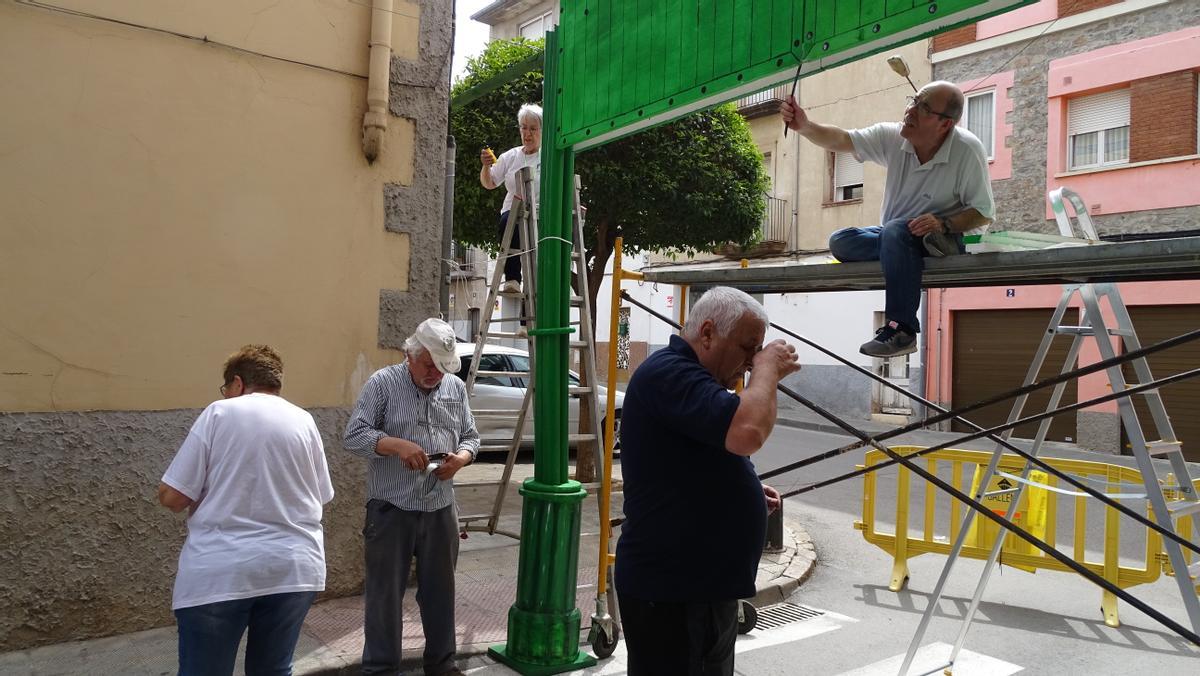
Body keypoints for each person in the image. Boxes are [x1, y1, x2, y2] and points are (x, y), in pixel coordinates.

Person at [614, 287, 801, 676]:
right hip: (675, 592)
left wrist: (739, 489)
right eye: (748, 347)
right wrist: (768, 369)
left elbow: (700, 450)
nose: (751, 362)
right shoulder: (670, 373)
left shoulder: (693, 376)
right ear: (709, 333)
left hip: (696, 589)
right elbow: (746, 431)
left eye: (757, 351)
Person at [782, 81, 995, 358]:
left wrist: (943, 223)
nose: (910, 110)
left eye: (924, 107)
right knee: (841, 242)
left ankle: (902, 330)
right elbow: (842, 140)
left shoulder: (967, 150)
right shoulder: (894, 137)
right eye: (914, 101)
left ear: (945, 124)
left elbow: (983, 212)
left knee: (894, 231)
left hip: (948, 237)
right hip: (897, 236)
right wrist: (805, 126)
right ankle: (899, 252)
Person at [158, 344, 334, 676]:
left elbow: (173, 497)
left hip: (222, 572)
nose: (225, 395)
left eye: (226, 389)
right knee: (273, 670)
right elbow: (322, 495)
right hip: (294, 570)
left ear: (237, 384)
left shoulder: (219, 413)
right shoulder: (304, 420)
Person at [344, 317, 480, 676]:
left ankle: (442, 665)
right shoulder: (383, 384)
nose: (435, 373)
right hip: (391, 508)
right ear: (410, 354)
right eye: (428, 364)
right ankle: (380, 670)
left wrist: (461, 459)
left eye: (441, 366)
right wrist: (394, 445)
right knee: (385, 596)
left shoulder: (454, 387)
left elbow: (471, 437)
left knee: (440, 593)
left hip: (440, 506)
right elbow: (353, 436)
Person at [479, 103, 542, 295]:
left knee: (536, 270)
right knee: (508, 220)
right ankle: (513, 278)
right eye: (524, 127)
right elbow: (490, 183)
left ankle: (526, 323)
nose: (527, 134)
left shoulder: (547, 156)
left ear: (542, 130)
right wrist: (485, 166)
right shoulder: (511, 156)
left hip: (539, 215)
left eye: (532, 128)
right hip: (513, 213)